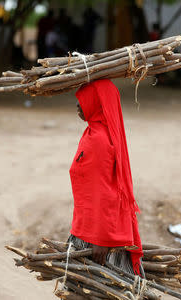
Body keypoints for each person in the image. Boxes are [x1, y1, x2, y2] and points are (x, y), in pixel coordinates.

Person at [68, 79, 144, 276]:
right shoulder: (93, 132)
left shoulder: (100, 140)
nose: (78, 105)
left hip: (97, 237)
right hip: (87, 227)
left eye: (84, 99)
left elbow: (104, 191)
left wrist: (100, 238)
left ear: (98, 103)